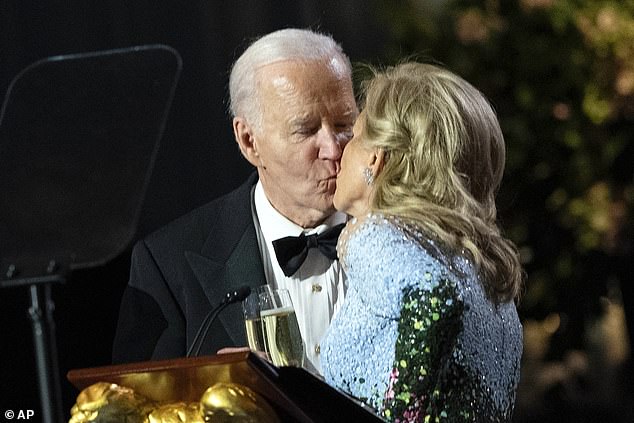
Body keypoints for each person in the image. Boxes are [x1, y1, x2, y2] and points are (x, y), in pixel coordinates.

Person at [112, 28, 358, 375]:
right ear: (249, 141)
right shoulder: (167, 265)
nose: (334, 149)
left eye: (344, 123)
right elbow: (138, 405)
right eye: (305, 130)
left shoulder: (412, 236)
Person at [320, 62, 524, 422]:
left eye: (352, 134)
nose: (339, 151)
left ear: (375, 158)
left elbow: (433, 297)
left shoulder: (378, 235)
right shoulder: (482, 270)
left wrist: (402, 413)